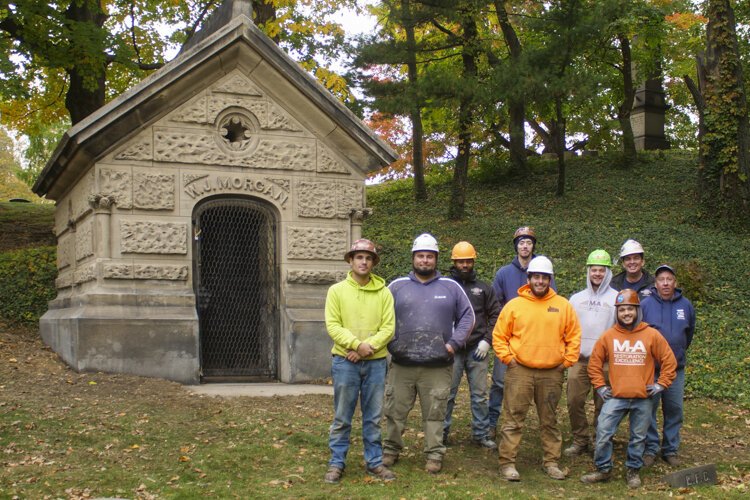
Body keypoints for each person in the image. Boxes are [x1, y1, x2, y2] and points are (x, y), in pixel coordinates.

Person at [383, 233, 475, 474]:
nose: (425, 260)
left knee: (435, 411)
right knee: (395, 410)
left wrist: (453, 344)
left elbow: (468, 316)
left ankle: (434, 454)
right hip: (402, 364)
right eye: (421, 256)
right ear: (413, 258)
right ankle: (390, 450)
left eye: (429, 256)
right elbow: (381, 317)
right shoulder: (396, 286)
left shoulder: (451, 287)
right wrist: (391, 344)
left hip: (438, 364)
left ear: (436, 259)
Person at [492, 256, 581, 481]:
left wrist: (566, 362)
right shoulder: (514, 305)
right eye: (536, 277)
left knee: (549, 420)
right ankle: (507, 463)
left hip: (552, 372)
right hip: (519, 370)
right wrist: (508, 359)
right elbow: (499, 336)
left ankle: (551, 462)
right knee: (514, 418)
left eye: (544, 277)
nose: (540, 281)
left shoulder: (563, 305)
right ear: (529, 278)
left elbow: (574, 337)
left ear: (550, 279)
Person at [581, 289, 677, 488]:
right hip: (616, 396)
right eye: (622, 309)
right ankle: (603, 469)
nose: (626, 313)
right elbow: (594, 363)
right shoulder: (609, 336)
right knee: (603, 432)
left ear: (637, 310)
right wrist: (599, 386)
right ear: (617, 312)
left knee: (638, 438)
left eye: (630, 309)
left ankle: (633, 470)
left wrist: (662, 384)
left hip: (643, 397)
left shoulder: (651, 334)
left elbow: (669, 360)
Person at [323, 239, 396, 484]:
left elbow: (388, 328)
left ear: (373, 262)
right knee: (342, 416)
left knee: (373, 416)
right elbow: (333, 325)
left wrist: (366, 349)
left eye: (368, 258)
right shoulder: (336, 291)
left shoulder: (384, 292)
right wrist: (356, 345)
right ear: (350, 261)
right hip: (345, 362)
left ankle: (374, 462)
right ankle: (336, 463)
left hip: (375, 363)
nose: (363, 262)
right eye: (359, 257)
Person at [488, 226, 557, 438]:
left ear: (533, 245)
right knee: (500, 382)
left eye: (528, 242)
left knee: (534, 385)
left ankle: (532, 425)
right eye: (521, 242)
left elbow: (551, 300)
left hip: (535, 338)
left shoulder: (543, 271)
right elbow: (495, 303)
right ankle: (492, 422)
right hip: (509, 337)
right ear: (516, 246)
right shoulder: (503, 273)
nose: (525, 246)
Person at [442, 241, 501, 450]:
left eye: (468, 261)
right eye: (460, 261)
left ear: (473, 261)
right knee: (448, 393)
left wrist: (487, 340)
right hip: (453, 350)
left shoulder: (484, 288)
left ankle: (481, 434)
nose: (465, 265)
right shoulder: (445, 286)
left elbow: (496, 315)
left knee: (479, 395)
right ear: (454, 262)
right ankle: (442, 433)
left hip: (478, 348)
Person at [564, 249, 618, 457]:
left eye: (601, 270)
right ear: (588, 271)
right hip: (579, 360)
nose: (597, 274)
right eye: (594, 270)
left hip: (605, 363)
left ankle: (600, 439)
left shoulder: (616, 298)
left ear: (608, 273)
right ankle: (580, 439)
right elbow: (566, 328)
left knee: (603, 404)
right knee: (574, 401)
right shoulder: (576, 299)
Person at [641, 264, 696, 467]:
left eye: (669, 279)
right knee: (649, 409)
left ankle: (670, 449)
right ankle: (650, 449)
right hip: (651, 370)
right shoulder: (646, 304)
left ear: (675, 282)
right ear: (655, 283)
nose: (665, 283)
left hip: (675, 370)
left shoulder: (686, 305)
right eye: (661, 279)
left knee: (674, 409)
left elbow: (688, 334)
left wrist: (677, 353)